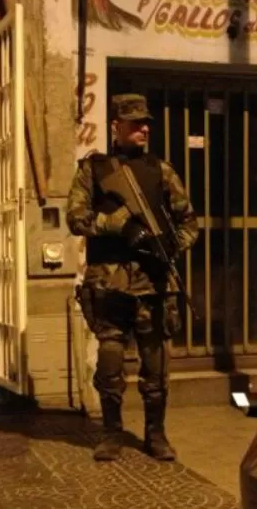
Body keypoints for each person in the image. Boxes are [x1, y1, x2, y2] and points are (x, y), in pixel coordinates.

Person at [66, 93, 199, 462]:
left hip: (154, 284)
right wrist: (117, 225)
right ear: (116, 127)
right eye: (135, 123)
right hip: (109, 284)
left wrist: (168, 249)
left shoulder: (162, 170)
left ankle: (155, 434)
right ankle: (111, 433)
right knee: (110, 365)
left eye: (147, 124)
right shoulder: (94, 170)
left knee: (155, 369)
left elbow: (189, 221)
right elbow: (75, 218)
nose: (143, 129)